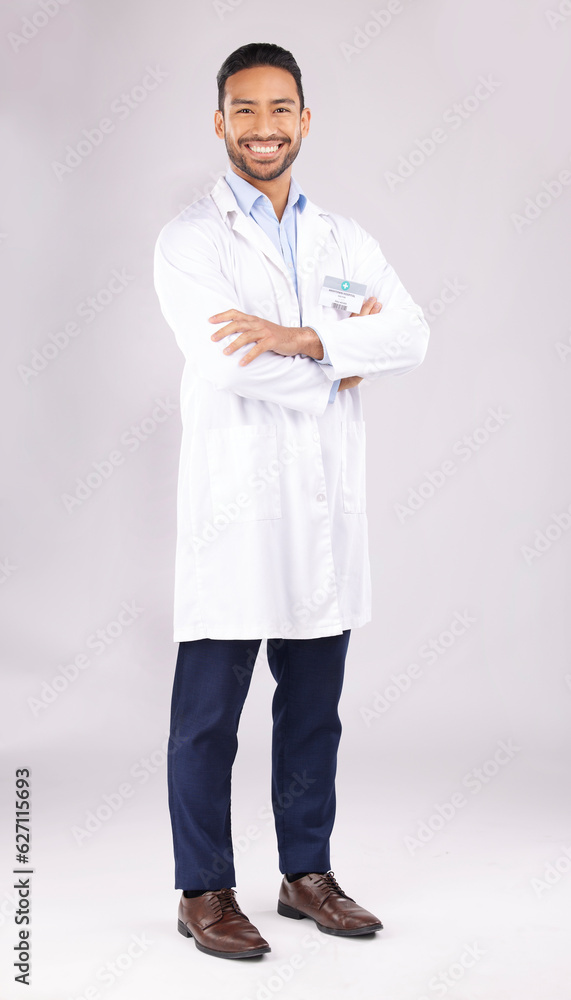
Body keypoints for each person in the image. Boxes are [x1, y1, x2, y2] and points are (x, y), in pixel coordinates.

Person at [153, 41, 429, 960]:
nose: (262, 128)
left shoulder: (345, 238)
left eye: (280, 110)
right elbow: (227, 360)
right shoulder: (190, 240)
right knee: (207, 719)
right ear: (219, 121)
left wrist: (305, 338)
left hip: (322, 515)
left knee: (313, 711)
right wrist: (337, 365)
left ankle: (305, 874)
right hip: (235, 513)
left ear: (305, 120)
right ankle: (204, 890)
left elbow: (410, 332)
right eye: (244, 110)